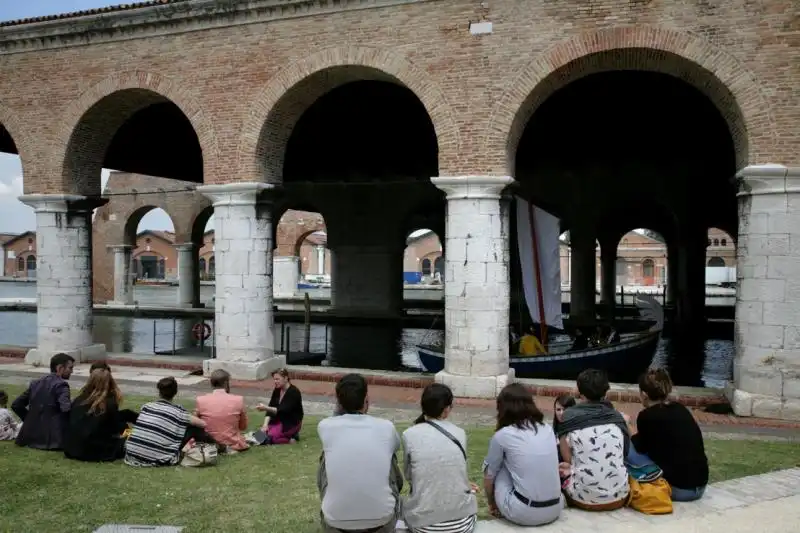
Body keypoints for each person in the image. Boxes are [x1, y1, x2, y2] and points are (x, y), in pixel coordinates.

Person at [317, 373, 402, 533]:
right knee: (388, 454)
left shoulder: (325, 426)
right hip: (381, 519)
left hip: (335, 521)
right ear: (366, 399)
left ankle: (336, 502)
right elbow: (396, 448)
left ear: (338, 402)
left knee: (326, 455)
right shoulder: (386, 427)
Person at [401, 383, 478, 533]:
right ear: (446, 409)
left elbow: (410, 476)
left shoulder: (409, 435)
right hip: (463, 524)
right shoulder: (460, 433)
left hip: (423, 526)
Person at [482, 383, 562, 527]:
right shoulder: (548, 429)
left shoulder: (503, 435)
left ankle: (497, 506)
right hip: (556, 508)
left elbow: (489, 477)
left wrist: (492, 503)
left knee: (497, 467)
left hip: (524, 513)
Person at [629, 368, 709, 501]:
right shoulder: (680, 408)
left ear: (644, 394)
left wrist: (627, 426)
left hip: (678, 489)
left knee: (626, 447)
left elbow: (639, 449)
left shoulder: (647, 416)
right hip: (700, 486)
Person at [556, 369, 630, 511]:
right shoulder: (617, 417)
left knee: (561, 470)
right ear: (605, 392)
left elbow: (568, 460)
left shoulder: (569, 416)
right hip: (620, 496)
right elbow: (625, 453)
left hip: (583, 498)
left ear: (580, 392)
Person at [124, 376, 209, 467]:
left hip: (131, 454)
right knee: (194, 429)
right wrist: (196, 414)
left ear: (159, 392)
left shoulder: (146, 407)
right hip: (159, 457)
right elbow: (203, 424)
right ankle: (220, 447)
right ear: (175, 392)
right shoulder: (179, 412)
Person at [64, 367, 139, 462]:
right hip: (93, 452)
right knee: (130, 436)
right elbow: (115, 427)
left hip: (72, 449)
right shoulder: (108, 403)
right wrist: (127, 432)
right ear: (110, 382)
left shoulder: (79, 400)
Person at [12, 353, 74, 450]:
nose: (72, 371)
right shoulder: (62, 385)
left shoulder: (36, 383)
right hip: (52, 439)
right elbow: (66, 409)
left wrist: (30, 420)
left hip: (30, 436)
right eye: (70, 368)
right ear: (60, 368)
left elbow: (16, 405)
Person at [196, 369, 249, 452]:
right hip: (232, 443)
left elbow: (197, 425)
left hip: (209, 443)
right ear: (225, 383)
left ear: (211, 383)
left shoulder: (201, 400)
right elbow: (243, 427)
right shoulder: (238, 400)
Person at [256, 368, 304, 445]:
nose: (275, 381)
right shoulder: (277, 389)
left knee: (269, 438)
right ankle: (289, 436)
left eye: (277, 379)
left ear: (285, 378)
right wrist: (265, 425)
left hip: (290, 423)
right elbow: (271, 406)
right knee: (258, 436)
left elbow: (282, 410)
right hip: (277, 421)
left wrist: (265, 408)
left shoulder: (294, 392)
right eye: (274, 379)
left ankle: (291, 439)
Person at [551, 395, 576, 463]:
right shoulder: (551, 432)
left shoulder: (577, 432)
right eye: (558, 410)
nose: (562, 413)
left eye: (565, 409)